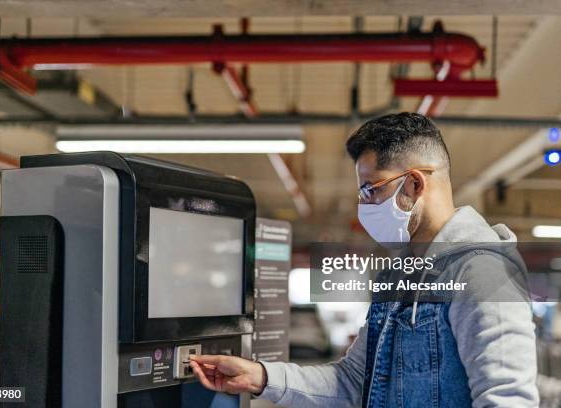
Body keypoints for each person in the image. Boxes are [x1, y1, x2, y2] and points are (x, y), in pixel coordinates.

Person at [190, 112, 539, 407]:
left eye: (371, 190)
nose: (365, 205)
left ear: (415, 184)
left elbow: (508, 397)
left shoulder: (482, 271)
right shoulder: (398, 277)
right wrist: (261, 376)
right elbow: (354, 380)